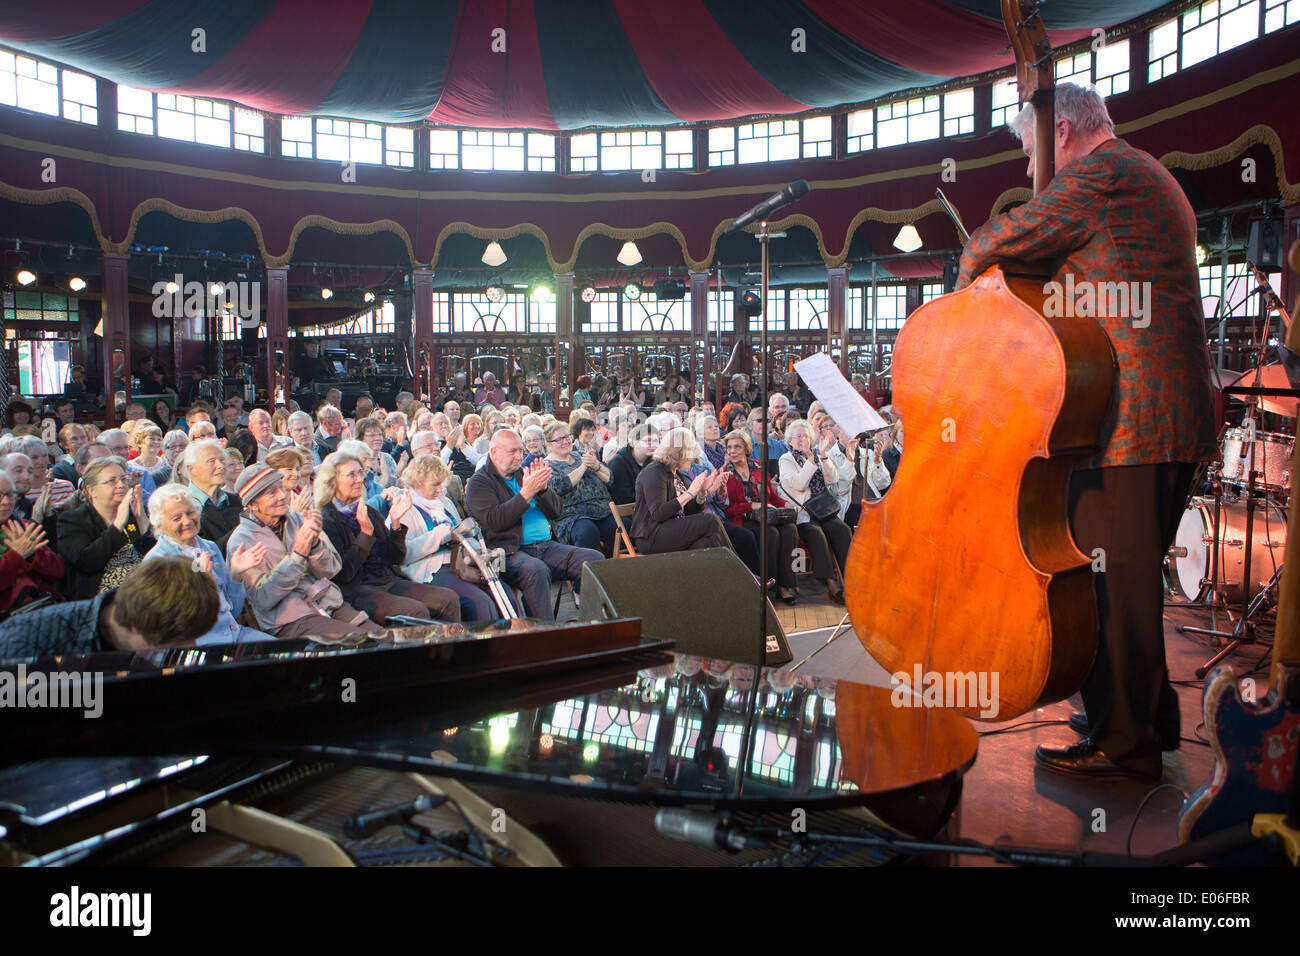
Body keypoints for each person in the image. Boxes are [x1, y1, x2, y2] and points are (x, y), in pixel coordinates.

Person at [956, 84, 1216, 782]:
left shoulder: (1100, 175)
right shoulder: (1148, 172)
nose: (1027, 164)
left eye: (1030, 147)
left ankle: (1127, 749)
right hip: (1173, 413)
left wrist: (973, 277)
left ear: (1061, 129)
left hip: (1135, 419)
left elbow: (1000, 240)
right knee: (1128, 580)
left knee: (1115, 588)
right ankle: (1141, 718)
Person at [226, 465, 383, 639]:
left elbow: (332, 569)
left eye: (282, 488)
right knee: (361, 640)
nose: (282, 496)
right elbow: (263, 599)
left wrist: (314, 545)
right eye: (272, 493)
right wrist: (298, 556)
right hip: (289, 619)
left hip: (328, 602)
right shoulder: (241, 541)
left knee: (381, 637)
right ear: (253, 505)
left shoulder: (300, 519)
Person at [465, 429, 602, 621]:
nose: (519, 456)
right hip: (503, 552)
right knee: (536, 570)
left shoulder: (524, 474)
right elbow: (494, 522)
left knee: (593, 559)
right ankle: (543, 637)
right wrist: (526, 493)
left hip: (545, 547)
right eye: (512, 451)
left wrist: (544, 489)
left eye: (521, 451)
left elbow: (557, 512)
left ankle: (593, 627)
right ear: (494, 452)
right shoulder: (480, 482)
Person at [316, 451, 460, 625]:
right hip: (357, 589)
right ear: (333, 481)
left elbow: (395, 558)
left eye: (360, 472)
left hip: (387, 581)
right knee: (415, 611)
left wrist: (396, 524)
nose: (360, 479)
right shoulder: (327, 519)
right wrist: (365, 535)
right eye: (351, 475)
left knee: (448, 599)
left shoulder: (368, 511)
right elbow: (342, 573)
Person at [0, 555, 219, 658]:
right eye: (176, 642)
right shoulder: (20, 644)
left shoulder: (146, 624)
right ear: (135, 624)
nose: (192, 648)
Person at [143, 485, 275, 645]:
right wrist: (203, 584)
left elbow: (233, 610)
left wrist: (236, 574)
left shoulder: (209, 547)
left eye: (190, 512)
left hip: (235, 634)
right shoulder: (156, 562)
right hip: (201, 644)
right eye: (176, 518)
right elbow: (172, 627)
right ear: (159, 526)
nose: (187, 521)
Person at [393, 453, 504, 622]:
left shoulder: (444, 502)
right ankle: (486, 646)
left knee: (504, 593)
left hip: (460, 560)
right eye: (435, 485)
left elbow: (463, 534)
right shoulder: (403, 507)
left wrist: (478, 551)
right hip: (432, 568)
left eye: (441, 484)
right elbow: (403, 554)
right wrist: (441, 535)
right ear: (417, 483)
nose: (440, 489)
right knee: (480, 602)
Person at [57, 456, 156, 599]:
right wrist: (116, 527)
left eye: (124, 479)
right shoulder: (73, 520)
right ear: (91, 490)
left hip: (141, 588)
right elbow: (86, 562)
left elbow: (151, 554)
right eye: (112, 481)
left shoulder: (130, 518)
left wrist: (141, 518)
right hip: (102, 599)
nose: (121, 485)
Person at [779, 420, 850, 605]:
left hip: (824, 510)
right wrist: (810, 463)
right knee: (817, 535)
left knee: (842, 530)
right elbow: (798, 484)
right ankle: (831, 583)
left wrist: (824, 456)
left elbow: (832, 479)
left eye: (806, 436)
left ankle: (852, 578)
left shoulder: (818, 454)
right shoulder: (786, 459)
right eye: (798, 436)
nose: (803, 439)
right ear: (790, 440)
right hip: (805, 514)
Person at [723, 430, 799, 605]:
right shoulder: (725, 474)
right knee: (770, 533)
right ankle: (769, 585)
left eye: (737, 446)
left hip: (768, 514)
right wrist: (753, 505)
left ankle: (785, 585)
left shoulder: (758, 467)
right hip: (743, 519)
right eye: (729, 448)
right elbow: (728, 509)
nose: (732, 451)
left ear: (746, 448)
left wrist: (784, 504)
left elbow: (771, 498)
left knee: (789, 530)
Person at [630, 427, 730, 555]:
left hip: (672, 529)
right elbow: (658, 514)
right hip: (651, 535)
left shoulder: (677, 474)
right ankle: (741, 571)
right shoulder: (654, 472)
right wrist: (689, 493)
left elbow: (689, 511)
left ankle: (720, 574)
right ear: (680, 451)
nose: (693, 456)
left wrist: (701, 493)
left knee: (707, 543)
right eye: (690, 450)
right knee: (711, 520)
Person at [543, 420, 616, 556]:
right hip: (572, 517)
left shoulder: (581, 455)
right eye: (559, 439)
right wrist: (583, 466)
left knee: (622, 527)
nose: (565, 442)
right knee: (588, 532)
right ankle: (585, 572)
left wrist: (596, 466)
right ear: (549, 444)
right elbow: (560, 487)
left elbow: (609, 479)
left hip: (602, 511)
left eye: (566, 437)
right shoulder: (546, 465)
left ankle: (616, 568)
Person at [0, 469, 64, 614]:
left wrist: (32, 553)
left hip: (39, 609)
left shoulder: (23, 526)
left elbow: (57, 571)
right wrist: (17, 555)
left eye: (10, 495)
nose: (6, 502)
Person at [184, 439, 243, 552]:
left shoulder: (237, 501)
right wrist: (243, 526)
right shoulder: (183, 509)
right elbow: (199, 553)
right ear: (192, 469)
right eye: (211, 461)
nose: (220, 465)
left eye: (222, 460)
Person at [608, 421, 657, 506]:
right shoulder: (618, 462)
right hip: (625, 512)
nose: (653, 445)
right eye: (648, 441)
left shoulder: (655, 460)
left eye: (655, 441)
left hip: (649, 506)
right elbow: (624, 498)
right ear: (635, 442)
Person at [355, 417, 399, 489]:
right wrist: (384, 478)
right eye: (372, 435)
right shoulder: (357, 462)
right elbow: (367, 494)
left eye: (380, 434)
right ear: (360, 438)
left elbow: (396, 483)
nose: (378, 438)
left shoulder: (387, 458)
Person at [127, 423, 172, 491]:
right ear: (140, 443)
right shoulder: (130, 466)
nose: (156, 442)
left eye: (159, 439)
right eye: (151, 438)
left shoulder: (166, 464)